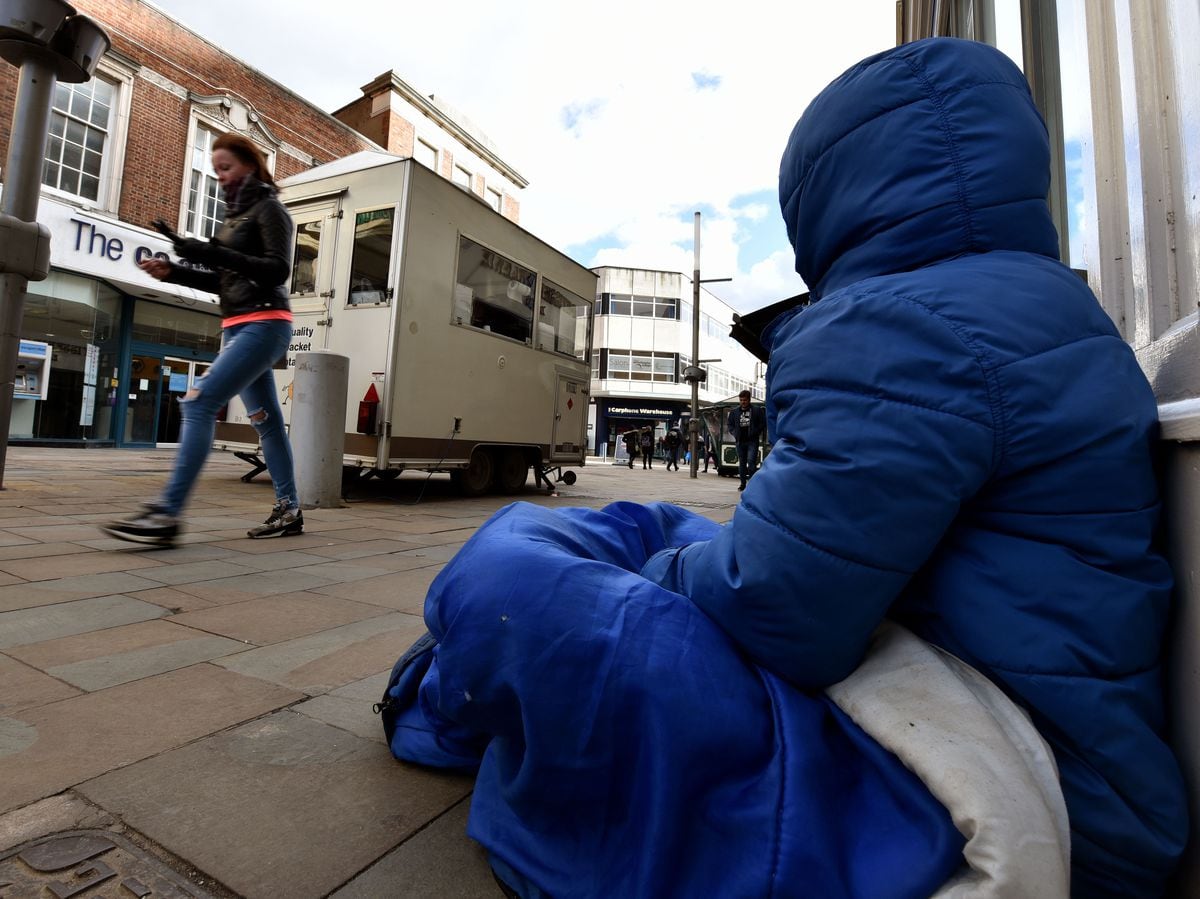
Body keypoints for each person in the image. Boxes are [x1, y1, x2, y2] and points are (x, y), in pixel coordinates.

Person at [381, 38, 1186, 897]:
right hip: (1049, 730)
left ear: (830, 200)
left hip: (1002, 769)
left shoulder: (912, 326)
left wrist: (661, 578)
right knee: (651, 527)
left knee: (516, 573)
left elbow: (780, 606)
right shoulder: (1042, 304)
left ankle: (438, 686)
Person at [102, 132, 302, 547]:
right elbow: (224, 280)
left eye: (226, 168)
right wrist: (173, 271)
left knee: (198, 402)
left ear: (250, 164)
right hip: (237, 327)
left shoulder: (270, 210)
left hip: (265, 324)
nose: (221, 177)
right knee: (267, 426)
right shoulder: (233, 219)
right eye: (216, 171)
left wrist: (210, 252)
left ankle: (167, 514)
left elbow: (277, 270)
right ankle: (289, 508)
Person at [726, 390, 765, 490]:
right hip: (740, 441)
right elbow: (730, 424)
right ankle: (743, 484)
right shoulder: (734, 412)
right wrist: (734, 433)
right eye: (741, 400)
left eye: (745, 400)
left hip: (752, 440)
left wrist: (755, 432)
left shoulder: (757, 410)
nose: (743, 402)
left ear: (749, 400)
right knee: (742, 463)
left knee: (751, 462)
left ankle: (752, 484)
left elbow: (762, 423)